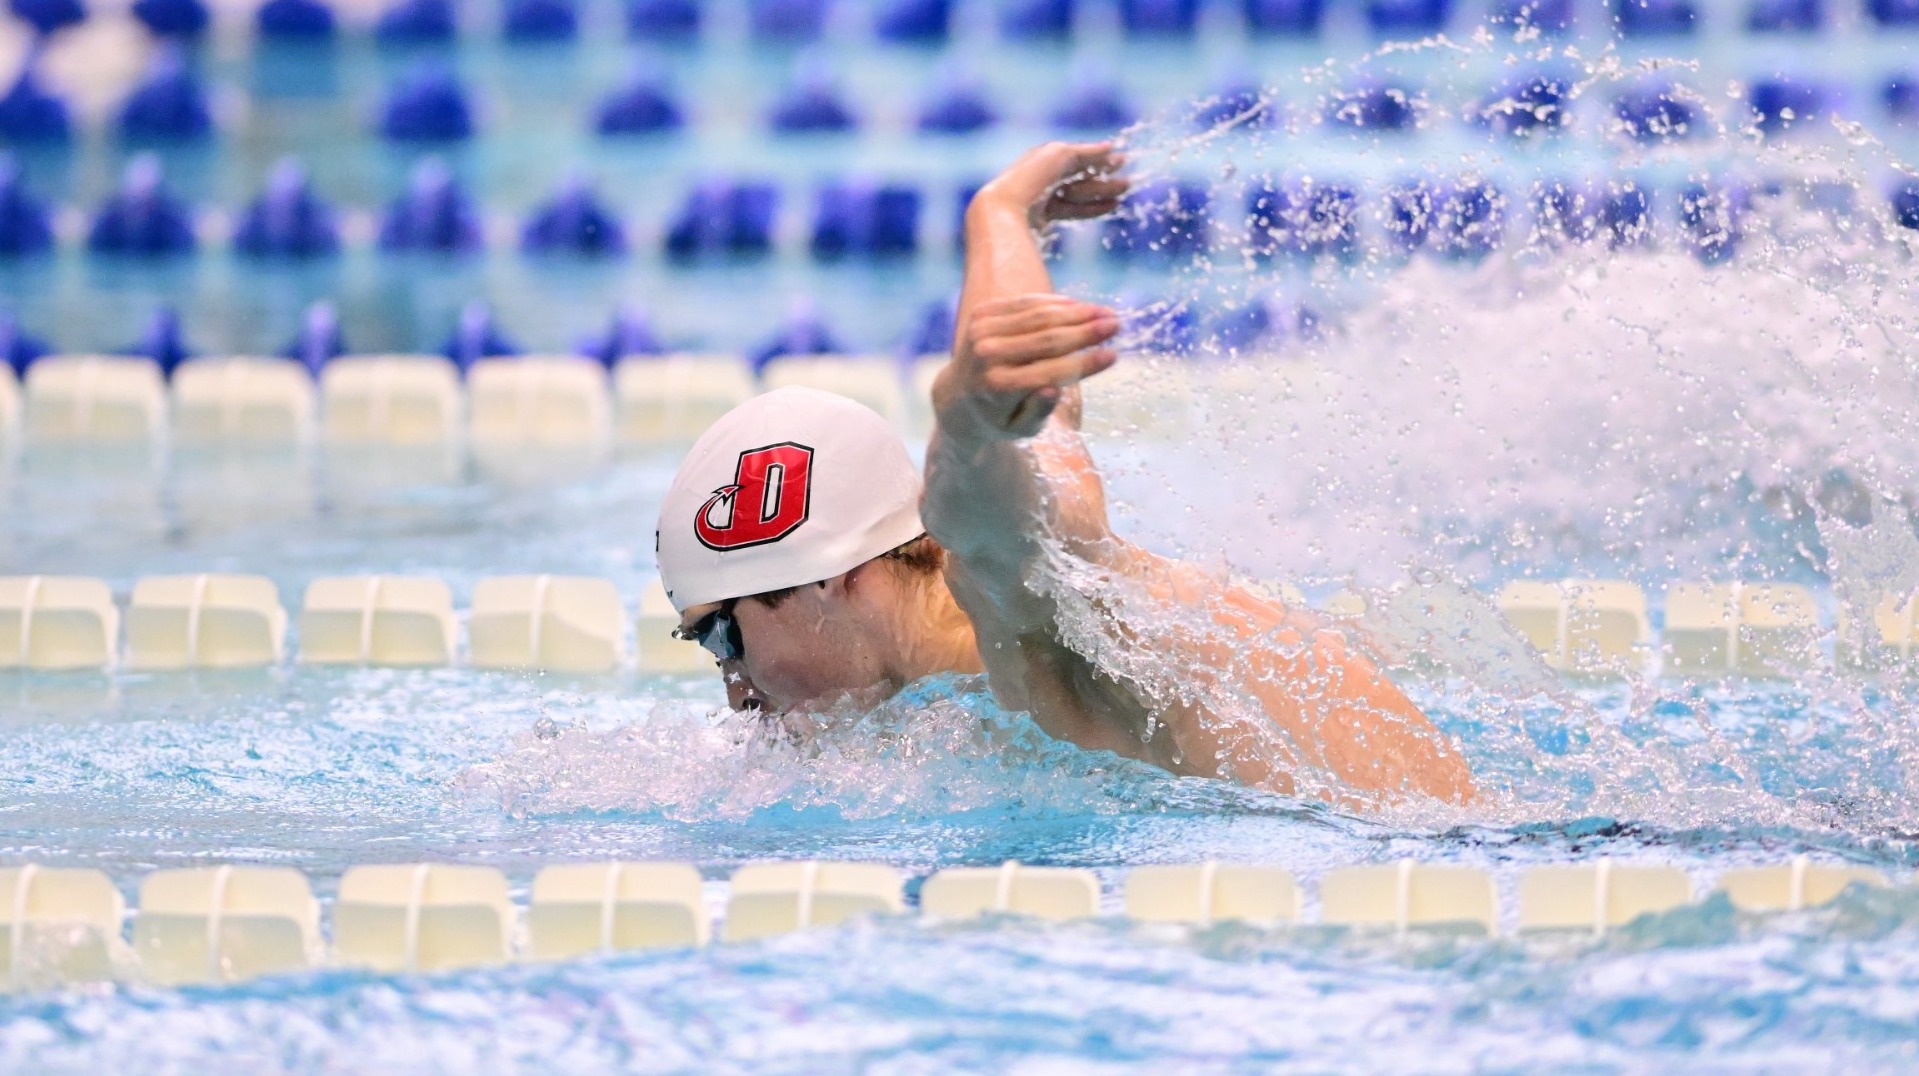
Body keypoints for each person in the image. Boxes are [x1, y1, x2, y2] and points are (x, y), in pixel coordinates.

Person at [656, 141, 1476, 809]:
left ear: (824, 579)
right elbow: (1047, 425)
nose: (736, 693)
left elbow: (986, 515)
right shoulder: (1042, 588)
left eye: (723, 636)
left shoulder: (1027, 630)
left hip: (1455, 874)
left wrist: (967, 422)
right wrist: (1000, 219)